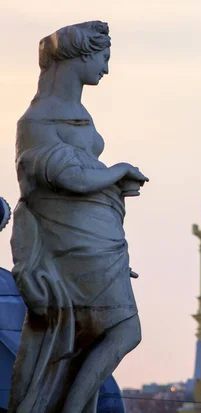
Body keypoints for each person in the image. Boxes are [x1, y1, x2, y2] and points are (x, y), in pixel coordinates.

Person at [9, 21, 148, 413]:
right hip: (71, 242)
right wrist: (116, 171)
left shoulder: (76, 113)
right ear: (81, 56)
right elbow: (59, 175)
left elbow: (76, 172)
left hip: (97, 238)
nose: (106, 68)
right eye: (103, 58)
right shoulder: (37, 119)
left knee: (102, 333)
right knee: (124, 329)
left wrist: (112, 185)